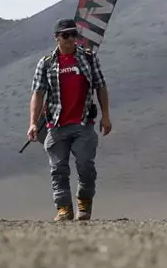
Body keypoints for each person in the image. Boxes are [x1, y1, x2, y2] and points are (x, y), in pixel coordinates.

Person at [27, 18, 113, 222]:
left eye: (74, 34)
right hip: (56, 126)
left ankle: (84, 204)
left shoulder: (88, 58)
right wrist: (32, 122)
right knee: (58, 170)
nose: (70, 39)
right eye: (65, 35)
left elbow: (101, 86)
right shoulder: (46, 63)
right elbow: (38, 93)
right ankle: (64, 209)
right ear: (56, 38)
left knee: (86, 166)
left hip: (83, 124)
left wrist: (106, 116)